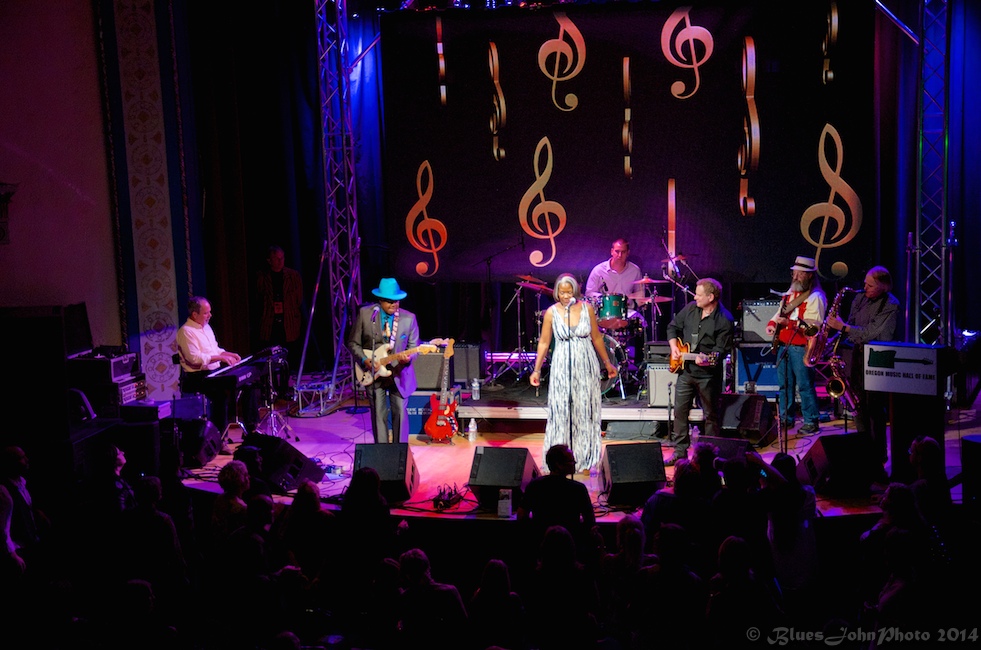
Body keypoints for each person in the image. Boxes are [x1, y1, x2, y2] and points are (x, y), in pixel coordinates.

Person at [530, 274, 619, 474]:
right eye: (562, 292)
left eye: (569, 292)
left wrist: (607, 363)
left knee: (583, 410)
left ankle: (585, 458)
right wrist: (536, 369)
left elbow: (596, 337)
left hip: (586, 363)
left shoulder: (587, 308)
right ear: (556, 292)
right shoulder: (551, 313)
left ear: (575, 292)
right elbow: (544, 342)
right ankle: (559, 460)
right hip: (562, 364)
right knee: (562, 410)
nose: (565, 296)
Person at [826, 265, 900, 463]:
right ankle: (864, 453)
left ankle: (879, 457)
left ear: (883, 286)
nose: (864, 288)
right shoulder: (860, 298)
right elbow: (851, 326)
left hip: (878, 359)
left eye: (870, 285)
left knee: (875, 410)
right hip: (857, 357)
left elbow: (871, 333)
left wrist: (844, 327)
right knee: (857, 406)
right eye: (865, 283)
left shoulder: (891, 305)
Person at [665, 277, 734, 465]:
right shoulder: (690, 309)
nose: (695, 297)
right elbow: (672, 327)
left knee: (710, 415)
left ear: (711, 297)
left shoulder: (725, 320)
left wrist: (705, 359)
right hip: (686, 372)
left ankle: (710, 455)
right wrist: (674, 347)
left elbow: (720, 351)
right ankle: (680, 452)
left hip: (707, 376)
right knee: (680, 411)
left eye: (699, 294)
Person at [346, 278, 421, 444]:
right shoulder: (366, 315)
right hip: (373, 374)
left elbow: (415, 347)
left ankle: (400, 453)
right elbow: (352, 343)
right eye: (389, 301)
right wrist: (365, 360)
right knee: (378, 415)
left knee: (400, 413)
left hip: (399, 374)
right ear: (380, 301)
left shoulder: (409, 318)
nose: (394, 304)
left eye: (396, 300)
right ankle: (381, 454)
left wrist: (407, 359)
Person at [766, 256, 827, 434]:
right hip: (785, 344)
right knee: (785, 384)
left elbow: (813, 326)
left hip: (801, 347)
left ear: (810, 276)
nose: (795, 277)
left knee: (805, 385)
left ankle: (811, 421)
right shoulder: (790, 293)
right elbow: (779, 313)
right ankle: (786, 418)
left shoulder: (816, 297)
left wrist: (788, 324)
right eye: (795, 273)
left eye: (800, 274)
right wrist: (772, 324)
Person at [176, 296, 244, 436]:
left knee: (247, 382)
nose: (210, 315)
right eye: (206, 313)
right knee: (220, 395)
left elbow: (215, 350)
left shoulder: (206, 328)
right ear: (195, 314)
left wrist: (228, 354)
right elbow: (194, 359)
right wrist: (221, 358)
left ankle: (251, 428)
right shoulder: (186, 331)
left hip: (214, 373)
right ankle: (220, 437)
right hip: (198, 377)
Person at [256, 245, 304, 399]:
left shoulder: (293, 276)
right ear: (269, 260)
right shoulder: (263, 277)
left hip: (288, 323)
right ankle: (271, 389)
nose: (280, 261)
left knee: (287, 357)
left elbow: (298, 298)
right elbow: (259, 297)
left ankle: (285, 388)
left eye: (282, 257)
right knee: (269, 358)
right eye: (276, 258)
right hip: (270, 323)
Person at [585, 237, 644, 302]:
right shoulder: (598, 270)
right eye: (617, 251)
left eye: (623, 252)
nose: (620, 255)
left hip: (628, 310)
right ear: (612, 251)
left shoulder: (635, 271)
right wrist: (605, 297)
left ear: (628, 253)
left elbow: (640, 294)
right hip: (606, 309)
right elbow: (589, 293)